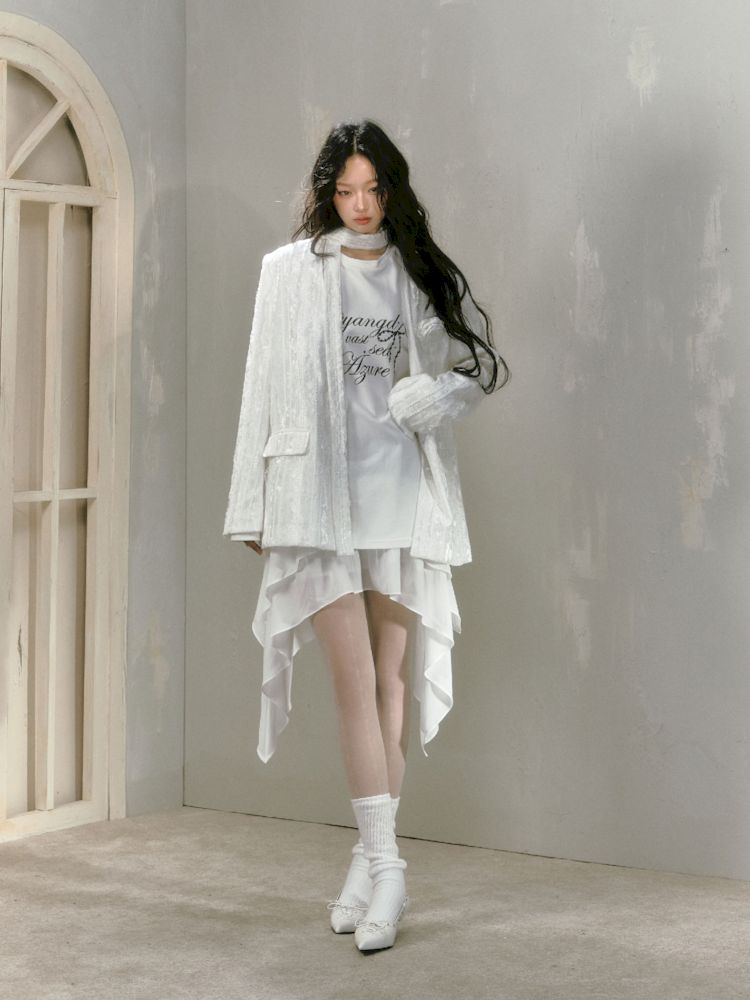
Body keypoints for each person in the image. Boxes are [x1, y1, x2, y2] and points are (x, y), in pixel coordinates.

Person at [223, 119, 508, 952]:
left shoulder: (415, 272)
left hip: (400, 495)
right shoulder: (287, 273)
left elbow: (476, 368)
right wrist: (252, 509)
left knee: (390, 684)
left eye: (372, 189)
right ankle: (389, 867)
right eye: (345, 191)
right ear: (327, 193)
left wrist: (439, 397)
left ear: (391, 190)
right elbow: (259, 388)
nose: (359, 205)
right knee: (352, 686)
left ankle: (368, 862)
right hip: (317, 502)